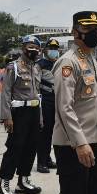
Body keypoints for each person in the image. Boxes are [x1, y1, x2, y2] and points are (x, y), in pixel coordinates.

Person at [53, 11, 97, 194]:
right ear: (75, 32)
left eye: (96, 29)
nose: (94, 33)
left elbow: (92, 103)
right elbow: (64, 107)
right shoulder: (68, 62)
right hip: (72, 144)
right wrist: (80, 143)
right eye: (88, 29)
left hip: (93, 140)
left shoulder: (91, 59)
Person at [0, 35, 42, 194]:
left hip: (34, 112)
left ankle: (23, 180)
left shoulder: (36, 68)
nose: (34, 50)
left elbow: (38, 94)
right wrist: (6, 117)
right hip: (19, 114)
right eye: (30, 46)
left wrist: (40, 118)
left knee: (31, 147)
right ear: (23, 48)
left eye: (36, 47)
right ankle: (5, 183)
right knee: (15, 148)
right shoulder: (13, 67)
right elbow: (6, 92)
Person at [36, 38, 60, 173]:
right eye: (51, 48)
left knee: (52, 132)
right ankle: (41, 162)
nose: (54, 51)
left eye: (56, 48)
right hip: (45, 100)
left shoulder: (60, 63)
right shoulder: (40, 64)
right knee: (44, 132)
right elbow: (36, 83)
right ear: (45, 50)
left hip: (57, 99)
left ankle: (47, 158)